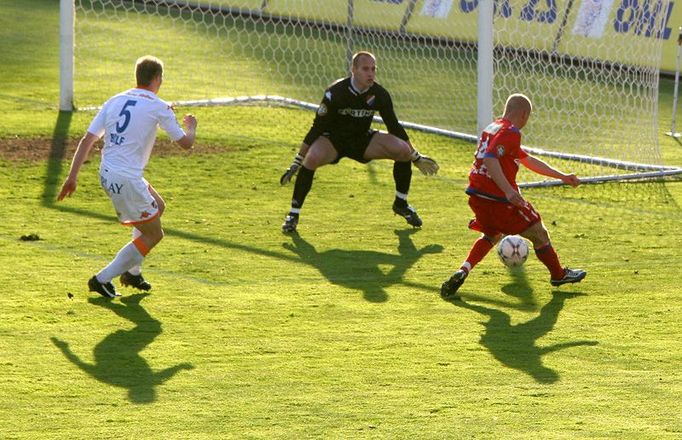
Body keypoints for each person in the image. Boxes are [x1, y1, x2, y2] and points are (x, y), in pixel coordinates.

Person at [58, 55, 197, 298]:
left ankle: (132, 272)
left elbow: (87, 140)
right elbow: (186, 143)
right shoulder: (159, 106)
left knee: (158, 207)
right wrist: (191, 126)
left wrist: (72, 177)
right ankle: (102, 279)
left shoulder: (115, 100)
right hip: (126, 179)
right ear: (157, 78)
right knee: (154, 234)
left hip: (107, 172)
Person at [440, 93, 586, 298]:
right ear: (524, 114)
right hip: (498, 199)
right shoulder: (512, 132)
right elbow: (491, 159)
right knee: (539, 232)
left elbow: (526, 159)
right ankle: (558, 275)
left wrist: (562, 176)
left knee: (492, 234)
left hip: (476, 196)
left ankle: (462, 270)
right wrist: (509, 192)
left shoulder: (493, 128)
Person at [279, 51, 439, 233]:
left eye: (373, 69)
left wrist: (415, 156)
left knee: (402, 150)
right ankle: (293, 214)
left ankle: (401, 204)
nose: (370, 73)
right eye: (365, 69)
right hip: (333, 141)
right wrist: (298, 159)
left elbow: (394, 127)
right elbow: (317, 127)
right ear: (353, 69)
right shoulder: (335, 93)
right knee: (312, 158)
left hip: (362, 140)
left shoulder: (379, 94)